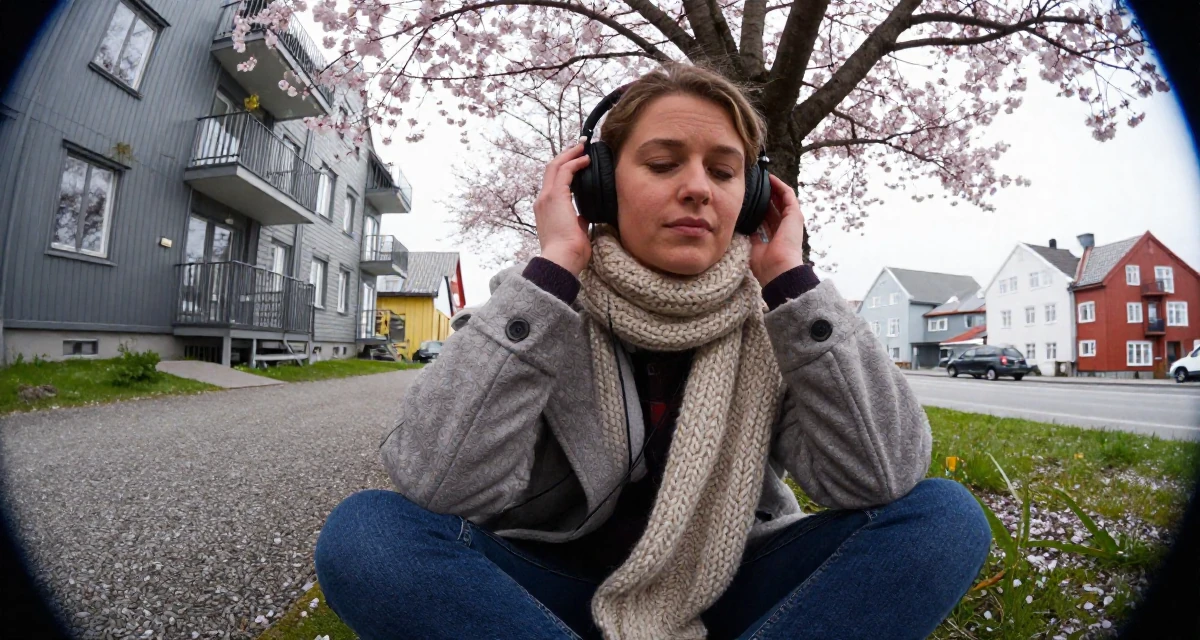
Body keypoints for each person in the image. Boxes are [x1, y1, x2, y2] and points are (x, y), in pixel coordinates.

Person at [314, 63, 992, 640]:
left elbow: (882, 476)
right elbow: (437, 481)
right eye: (664, 164)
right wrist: (553, 268)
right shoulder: (535, 309)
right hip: (549, 594)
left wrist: (791, 282)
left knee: (944, 517)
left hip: (725, 580)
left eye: (724, 172)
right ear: (598, 185)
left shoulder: (780, 321)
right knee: (367, 536)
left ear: (751, 198)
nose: (697, 186)